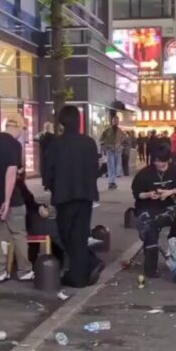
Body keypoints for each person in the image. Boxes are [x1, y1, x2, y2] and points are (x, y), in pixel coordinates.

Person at [45, 104, 102, 288]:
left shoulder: (56, 144)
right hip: (85, 196)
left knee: (67, 235)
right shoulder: (89, 143)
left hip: (64, 196)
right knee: (80, 235)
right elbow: (95, 168)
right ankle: (84, 269)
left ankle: (81, 273)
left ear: (62, 122)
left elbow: (49, 172)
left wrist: (52, 187)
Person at [0, 119, 34, 283]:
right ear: (17, 127)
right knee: (18, 234)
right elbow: (11, 172)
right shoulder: (14, 145)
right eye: (23, 129)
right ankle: (24, 271)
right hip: (12, 199)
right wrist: (7, 200)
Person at [131, 143, 176, 278]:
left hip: (169, 206)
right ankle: (150, 268)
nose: (161, 167)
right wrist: (148, 195)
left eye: (164, 164)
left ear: (168, 161)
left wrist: (170, 192)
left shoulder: (174, 169)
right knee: (150, 225)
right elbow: (137, 194)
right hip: (147, 207)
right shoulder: (143, 174)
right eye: (158, 163)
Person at [100, 114, 124, 190]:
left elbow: (124, 141)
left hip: (117, 151)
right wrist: (107, 146)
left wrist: (121, 147)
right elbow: (101, 140)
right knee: (111, 166)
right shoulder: (107, 130)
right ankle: (111, 182)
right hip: (110, 151)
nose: (116, 122)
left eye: (117, 121)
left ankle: (113, 182)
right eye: (114, 120)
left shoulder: (120, 131)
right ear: (112, 121)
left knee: (116, 167)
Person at [37, 120, 54, 190]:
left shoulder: (42, 136)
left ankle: (45, 184)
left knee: (45, 170)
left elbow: (37, 140)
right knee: (50, 170)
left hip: (44, 155)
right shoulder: (52, 136)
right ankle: (49, 184)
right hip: (51, 155)